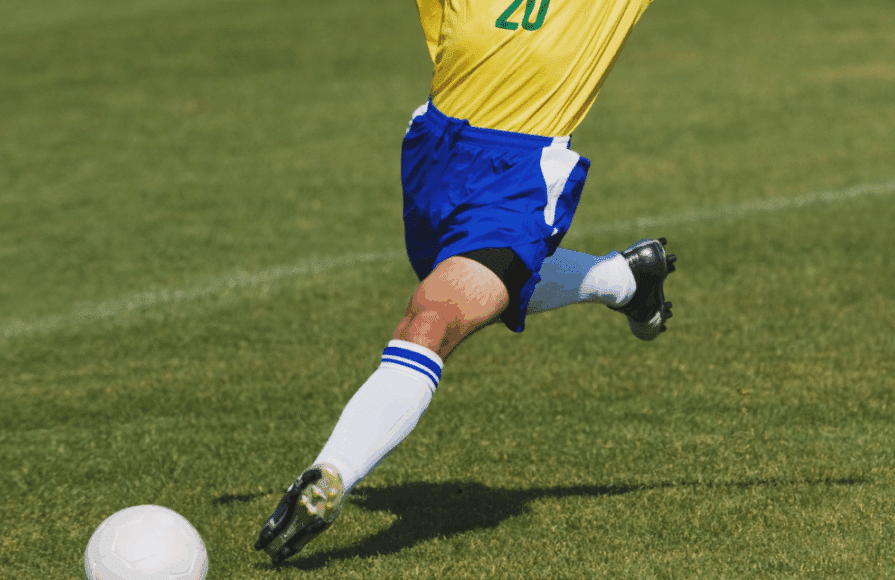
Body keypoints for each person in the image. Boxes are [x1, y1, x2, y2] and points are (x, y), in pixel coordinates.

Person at [254, 0, 676, 564]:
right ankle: (625, 278)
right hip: (435, 151)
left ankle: (329, 477)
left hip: (520, 174)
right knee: (467, 288)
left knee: (431, 316)